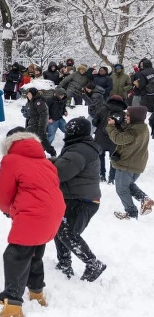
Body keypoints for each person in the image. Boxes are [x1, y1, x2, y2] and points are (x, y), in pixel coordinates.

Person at [0, 128, 66, 317]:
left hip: (32, 214)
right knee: (34, 252)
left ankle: (13, 306)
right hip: (54, 213)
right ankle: (36, 292)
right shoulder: (46, 162)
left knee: (15, 256)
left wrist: (7, 210)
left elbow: (3, 193)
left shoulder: (11, 160)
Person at [51, 118, 106, 282]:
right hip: (75, 198)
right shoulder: (80, 147)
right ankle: (64, 264)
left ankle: (93, 263)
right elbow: (64, 164)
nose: (68, 132)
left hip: (83, 201)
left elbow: (61, 171)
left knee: (69, 234)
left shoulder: (79, 150)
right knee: (60, 231)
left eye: (70, 129)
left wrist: (42, 167)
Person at [107, 106, 153, 219]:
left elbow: (118, 139)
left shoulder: (134, 131)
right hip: (136, 163)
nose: (125, 117)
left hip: (127, 164)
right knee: (128, 185)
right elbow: (126, 134)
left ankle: (131, 213)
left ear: (134, 117)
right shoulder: (141, 127)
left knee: (121, 189)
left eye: (128, 115)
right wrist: (117, 125)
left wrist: (111, 126)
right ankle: (145, 199)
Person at [92, 95, 126, 183]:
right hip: (114, 139)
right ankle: (112, 178)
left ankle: (102, 175)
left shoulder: (102, 109)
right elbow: (124, 126)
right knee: (113, 159)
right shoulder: (123, 113)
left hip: (100, 138)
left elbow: (95, 122)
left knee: (100, 157)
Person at [24, 87, 56, 157]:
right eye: (27, 94)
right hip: (32, 124)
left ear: (33, 94)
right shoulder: (32, 101)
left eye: (29, 94)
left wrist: (42, 127)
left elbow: (44, 115)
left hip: (38, 125)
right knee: (28, 138)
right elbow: (30, 115)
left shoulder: (39, 102)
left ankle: (52, 153)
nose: (27, 95)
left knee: (43, 141)